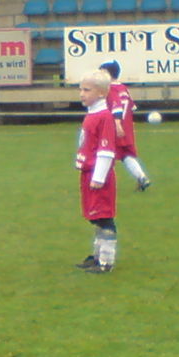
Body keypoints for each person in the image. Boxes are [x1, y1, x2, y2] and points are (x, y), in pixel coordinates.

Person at [75, 70, 118, 274]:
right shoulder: (92, 114)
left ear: (101, 93)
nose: (81, 94)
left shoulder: (104, 117)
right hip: (88, 173)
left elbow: (106, 149)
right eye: (80, 89)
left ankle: (106, 261)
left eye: (86, 90)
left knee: (103, 216)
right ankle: (97, 255)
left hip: (97, 175)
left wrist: (99, 177)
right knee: (95, 215)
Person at [99, 60, 151, 191]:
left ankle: (100, 182)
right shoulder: (123, 88)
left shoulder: (110, 90)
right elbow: (131, 108)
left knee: (102, 153)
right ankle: (142, 177)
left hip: (114, 128)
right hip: (127, 128)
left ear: (107, 74)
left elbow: (116, 108)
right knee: (126, 155)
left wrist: (116, 124)